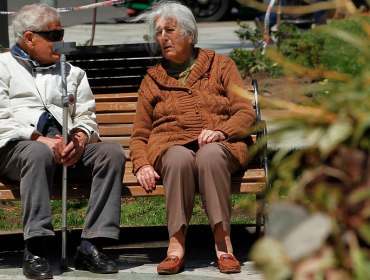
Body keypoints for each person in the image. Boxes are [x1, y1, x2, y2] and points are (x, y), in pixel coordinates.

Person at [0, 4, 126, 279]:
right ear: (29, 37)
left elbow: (87, 116)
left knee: (112, 152)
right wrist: (38, 138)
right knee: (36, 152)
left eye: (62, 33)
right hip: (17, 151)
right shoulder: (2, 67)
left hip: (66, 152)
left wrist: (81, 138)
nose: (61, 40)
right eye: (54, 34)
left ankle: (90, 246)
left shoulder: (73, 72)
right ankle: (35, 248)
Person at [130, 1, 256, 275]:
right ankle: (175, 247)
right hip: (170, 146)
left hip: (223, 145)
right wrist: (141, 163)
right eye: (159, 32)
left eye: (170, 30)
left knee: (209, 155)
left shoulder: (221, 65)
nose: (163, 37)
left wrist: (222, 131)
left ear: (189, 33)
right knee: (177, 157)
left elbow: (245, 112)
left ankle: (224, 245)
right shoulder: (152, 79)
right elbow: (140, 133)